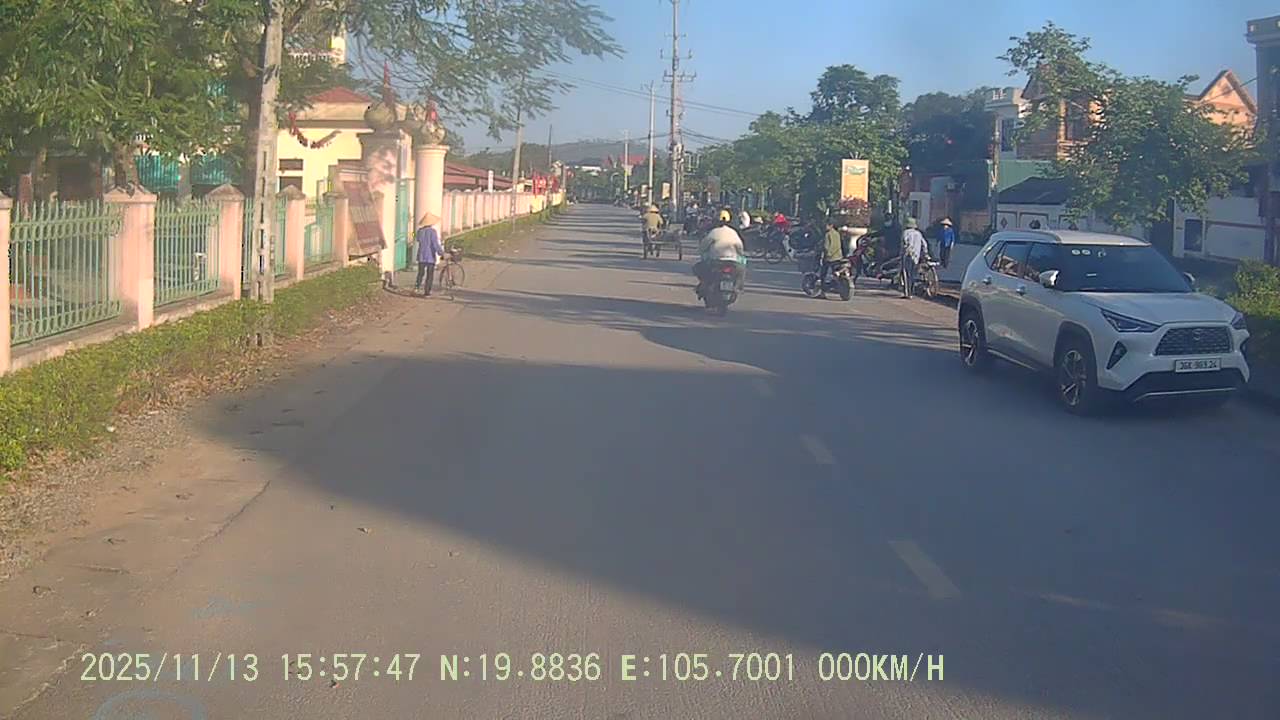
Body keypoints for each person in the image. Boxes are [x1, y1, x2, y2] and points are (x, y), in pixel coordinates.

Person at [693, 211, 746, 298]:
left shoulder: (714, 232)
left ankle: (704, 285)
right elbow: (740, 248)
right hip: (733, 262)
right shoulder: (733, 232)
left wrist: (701, 251)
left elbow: (703, 246)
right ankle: (738, 288)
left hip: (716, 262)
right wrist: (740, 256)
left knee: (698, 268)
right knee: (741, 271)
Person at [414, 213, 445, 296]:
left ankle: (416, 287)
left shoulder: (420, 231)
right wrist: (441, 253)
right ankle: (427, 291)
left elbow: (416, 238)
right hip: (430, 256)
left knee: (420, 273)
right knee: (429, 275)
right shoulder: (432, 232)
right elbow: (435, 244)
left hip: (421, 255)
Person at [900, 217, 926, 299]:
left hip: (907, 255)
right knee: (913, 274)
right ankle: (911, 292)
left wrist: (903, 252)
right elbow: (924, 245)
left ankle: (907, 293)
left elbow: (905, 243)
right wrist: (925, 253)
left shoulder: (906, 233)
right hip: (916, 257)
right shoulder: (919, 234)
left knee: (906, 274)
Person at [820, 218, 844, 298]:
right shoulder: (837, 234)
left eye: (826, 225)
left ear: (831, 225)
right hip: (838, 257)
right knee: (835, 274)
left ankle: (823, 292)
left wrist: (825, 255)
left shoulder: (828, 234)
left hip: (829, 258)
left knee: (823, 274)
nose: (825, 226)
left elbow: (826, 247)